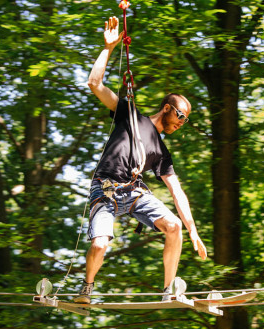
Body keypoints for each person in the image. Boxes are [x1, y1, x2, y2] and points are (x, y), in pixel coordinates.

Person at [74, 16, 207, 304]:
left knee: (174, 227)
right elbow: (94, 83)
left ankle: (168, 290)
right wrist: (108, 48)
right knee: (99, 245)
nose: (182, 122)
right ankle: (86, 289)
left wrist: (193, 230)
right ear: (168, 108)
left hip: (133, 194)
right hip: (106, 189)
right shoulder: (130, 114)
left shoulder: (162, 151)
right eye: (180, 116)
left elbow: (177, 191)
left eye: (186, 120)